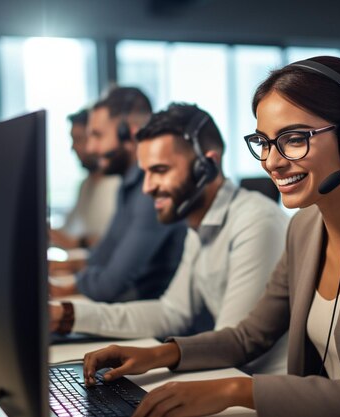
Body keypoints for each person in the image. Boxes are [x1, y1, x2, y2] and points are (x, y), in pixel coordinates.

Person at [80, 57, 340, 417]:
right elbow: (248, 336)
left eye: (294, 139)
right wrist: (154, 355)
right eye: (264, 142)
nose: (273, 161)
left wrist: (233, 390)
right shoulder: (305, 228)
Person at [50, 103, 289, 374]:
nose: (147, 187)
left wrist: (155, 356)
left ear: (206, 166)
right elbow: (172, 312)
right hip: (228, 376)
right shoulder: (198, 224)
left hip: (256, 389)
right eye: (145, 172)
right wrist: (66, 316)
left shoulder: (256, 223)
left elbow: (232, 346)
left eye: (160, 170)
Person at [49, 87, 187, 303]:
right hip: (129, 309)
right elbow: (100, 257)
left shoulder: (150, 191)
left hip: (148, 317)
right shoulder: (128, 185)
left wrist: (61, 289)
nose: (92, 148)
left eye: (97, 135)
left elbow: (109, 285)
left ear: (129, 133)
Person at [49, 108, 121, 250]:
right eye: (72, 140)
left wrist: (79, 243)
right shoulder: (86, 185)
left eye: (78, 139)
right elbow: (67, 230)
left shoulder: (118, 184)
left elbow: (116, 242)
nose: (73, 147)